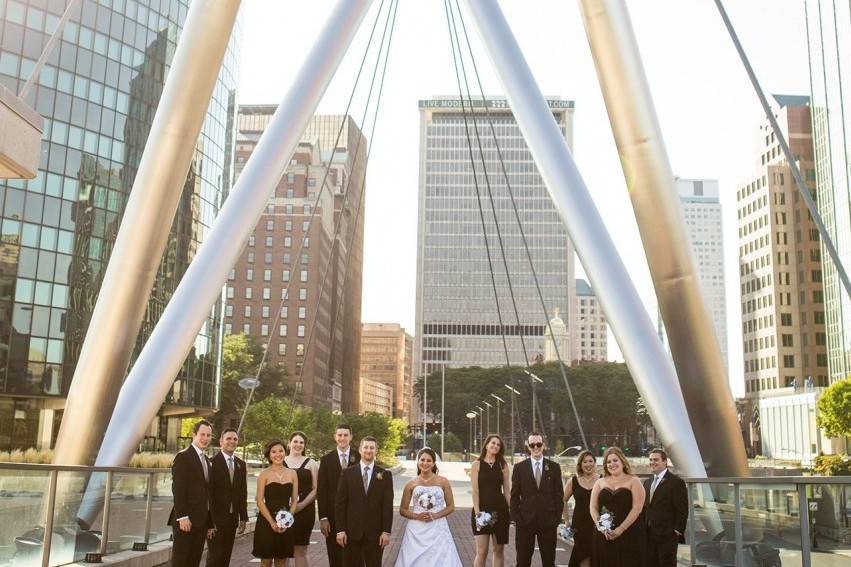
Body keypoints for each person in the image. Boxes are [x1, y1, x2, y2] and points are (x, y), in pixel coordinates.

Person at [395, 448, 463, 566]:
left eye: (429, 460)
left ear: (434, 463)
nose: (425, 463)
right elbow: (402, 510)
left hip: (438, 528)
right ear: (418, 461)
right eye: (422, 460)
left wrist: (435, 515)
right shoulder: (411, 484)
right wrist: (417, 516)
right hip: (416, 529)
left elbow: (451, 507)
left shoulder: (443, 481)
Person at [335, 437, 393, 567]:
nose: (368, 450)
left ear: (376, 451)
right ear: (360, 450)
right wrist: (340, 530)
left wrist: (386, 531)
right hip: (351, 532)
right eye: (366, 447)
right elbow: (340, 504)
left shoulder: (385, 475)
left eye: (372, 448)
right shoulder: (347, 473)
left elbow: (387, 506)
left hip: (375, 534)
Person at [510, 432, 564, 567]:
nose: (535, 447)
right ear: (528, 446)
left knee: (549, 562)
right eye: (532, 444)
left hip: (548, 523)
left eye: (538, 444)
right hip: (525, 523)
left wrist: (556, 519)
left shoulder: (554, 467)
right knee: (522, 562)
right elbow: (514, 496)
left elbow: (559, 495)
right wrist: (517, 519)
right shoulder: (519, 468)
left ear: (543, 445)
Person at [168, 419, 214, 567]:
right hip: (185, 520)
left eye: (208, 435)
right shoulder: (183, 457)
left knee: (194, 562)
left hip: (201, 521)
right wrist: (182, 516)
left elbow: (207, 493)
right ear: (194, 435)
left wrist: (209, 522)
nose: (205, 438)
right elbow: (178, 489)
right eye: (202, 434)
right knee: (180, 562)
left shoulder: (207, 460)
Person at [590, 447, 645, 567]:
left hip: (629, 532)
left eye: (615, 460)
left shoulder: (634, 481)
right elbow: (593, 507)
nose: (612, 464)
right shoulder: (600, 482)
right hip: (604, 534)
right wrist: (601, 527)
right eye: (608, 462)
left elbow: (637, 508)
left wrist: (621, 529)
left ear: (622, 462)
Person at [318, 424, 360, 567]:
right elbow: (321, 491)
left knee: (355, 556)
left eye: (345, 435)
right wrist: (323, 517)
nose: (342, 438)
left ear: (351, 437)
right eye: (340, 435)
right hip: (332, 516)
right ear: (335, 436)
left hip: (355, 515)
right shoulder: (326, 460)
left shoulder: (359, 457)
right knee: (335, 555)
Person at [206, 427, 248, 567]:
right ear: (221, 441)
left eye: (235, 439)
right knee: (214, 558)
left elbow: (242, 493)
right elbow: (208, 495)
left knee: (225, 557)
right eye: (228, 438)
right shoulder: (211, 463)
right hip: (216, 520)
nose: (232, 441)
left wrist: (243, 517)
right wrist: (209, 522)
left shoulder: (240, 464)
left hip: (232, 519)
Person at [252, 440, 299, 566]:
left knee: (281, 560)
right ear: (269, 455)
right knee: (266, 561)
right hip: (266, 521)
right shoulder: (264, 474)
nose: (277, 454)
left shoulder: (293, 473)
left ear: (285, 452)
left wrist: (287, 520)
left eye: (280, 451)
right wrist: (272, 522)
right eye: (274, 452)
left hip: (286, 522)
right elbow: (259, 500)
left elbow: (295, 500)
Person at [470, 434, 510, 567]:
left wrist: (512, 511)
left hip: (500, 511)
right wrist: (477, 514)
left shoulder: (503, 465)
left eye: (498, 445)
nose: (495, 446)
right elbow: (475, 491)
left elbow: (507, 492)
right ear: (486, 445)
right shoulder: (476, 464)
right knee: (482, 551)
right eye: (493, 443)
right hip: (481, 511)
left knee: (498, 550)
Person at [644, 448, 687, 567]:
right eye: (651, 459)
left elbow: (682, 510)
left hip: (667, 535)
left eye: (656, 459)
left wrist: (676, 532)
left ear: (665, 462)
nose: (652, 462)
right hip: (649, 534)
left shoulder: (676, 482)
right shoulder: (647, 482)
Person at [284, 431, 319, 567]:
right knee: (283, 550)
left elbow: (315, 489)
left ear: (304, 446)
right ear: (289, 443)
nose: (298, 445)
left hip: (304, 511)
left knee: (301, 549)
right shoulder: (281, 461)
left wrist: (301, 505)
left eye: (301, 442)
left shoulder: (312, 464)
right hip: (284, 511)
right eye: (295, 441)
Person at [564, 450, 599, 567]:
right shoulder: (573, 481)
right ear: (580, 464)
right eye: (585, 462)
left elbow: (608, 503)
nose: (588, 464)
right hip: (579, 525)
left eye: (591, 461)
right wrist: (566, 521)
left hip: (597, 524)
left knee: (595, 554)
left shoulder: (602, 480)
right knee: (582, 554)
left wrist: (606, 522)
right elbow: (563, 500)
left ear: (595, 463)